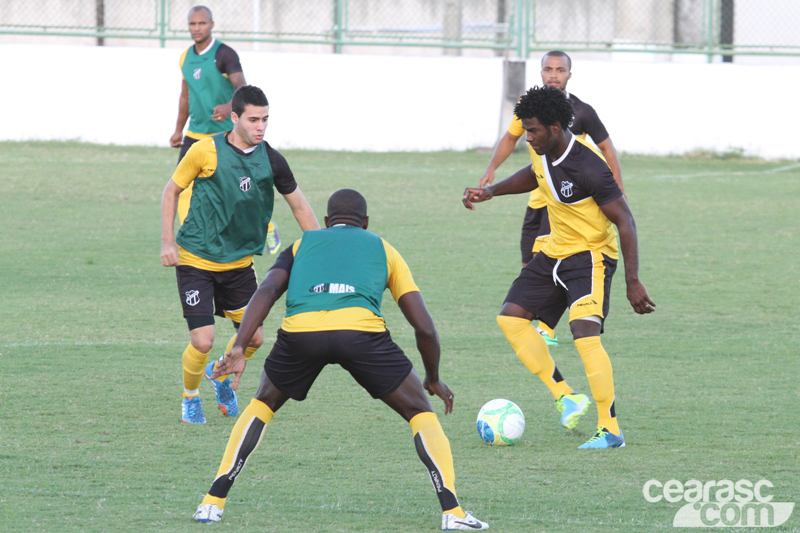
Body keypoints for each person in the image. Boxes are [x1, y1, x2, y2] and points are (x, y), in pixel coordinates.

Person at [192, 189, 489, 530]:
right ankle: (452, 513)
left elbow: (267, 290)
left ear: (329, 222)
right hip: (361, 335)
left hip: (301, 334)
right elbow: (424, 327)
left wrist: (240, 346)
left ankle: (211, 503)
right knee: (420, 412)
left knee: (262, 404)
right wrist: (433, 377)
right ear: (365, 223)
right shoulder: (383, 247)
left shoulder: (302, 244)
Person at [463, 86, 655, 449]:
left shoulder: (588, 166)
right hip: (554, 252)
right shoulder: (542, 150)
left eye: (532, 130)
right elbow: (534, 175)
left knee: (584, 332)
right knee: (511, 318)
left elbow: (626, 221)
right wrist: (491, 192)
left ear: (554, 126)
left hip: (591, 256)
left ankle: (610, 429)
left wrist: (633, 281)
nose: (527, 137)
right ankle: (565, 395)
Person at [161, 85, 319, 425]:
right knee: (202, 340)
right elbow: (171, 190)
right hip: (196, 260)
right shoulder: (206, 151)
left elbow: (300, 207)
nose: (260, 127)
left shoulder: (272, 159)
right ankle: (190, 398)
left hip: (239, 265)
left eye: (265, 119)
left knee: (257, 337)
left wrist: (323, 250)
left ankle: (220, 374)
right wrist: (167, 241)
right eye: (253, 120)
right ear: (234, 118)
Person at [479, 51, 624, 348]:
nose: (554, 74)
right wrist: (492, 170)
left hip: (569, 203)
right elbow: (511, 139)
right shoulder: (530, 108)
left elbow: (607, 148)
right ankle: (535, 319)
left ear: (570, 74)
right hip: (538, 198)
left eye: (560, 70)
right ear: (541, 72)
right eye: (548, 69)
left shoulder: (581, 111)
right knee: (530, 262)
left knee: (555, 255)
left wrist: (617, 187)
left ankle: (547, 326)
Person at [169, 5, 280, 253]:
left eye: (202, 23)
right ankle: (195, 238)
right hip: (195, 134)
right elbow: (185, 96)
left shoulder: (224, 54)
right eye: (192, 24)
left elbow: (243, 90)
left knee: (239, 189)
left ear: (212, 24)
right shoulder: (185, 57)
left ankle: (267, 225)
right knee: (184, 187)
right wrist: (178, 129)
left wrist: (229, 105)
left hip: (224, 136)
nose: (196, 28)